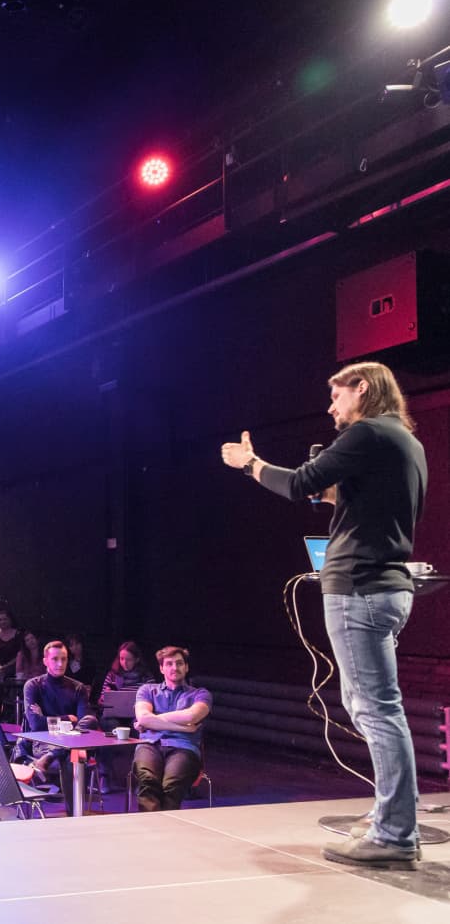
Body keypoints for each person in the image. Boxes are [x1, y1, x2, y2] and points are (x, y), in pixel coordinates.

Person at [221, 360, 427, 870]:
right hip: (384, 587)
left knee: (375, 710)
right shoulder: (403, 440)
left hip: (359, 587)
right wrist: (333, 491)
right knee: (372, 707)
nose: (331, 407)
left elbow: (297, 485)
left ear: (363, 388)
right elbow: (354, 500)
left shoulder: (368, 433)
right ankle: (392, 815)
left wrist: (250, 464)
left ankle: (395, 834)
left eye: (337, 396)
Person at [16, 640, 99, 815]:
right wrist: (68, 718)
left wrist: (46, 718)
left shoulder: (78, 688)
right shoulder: (33, 686)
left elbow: (84, 723)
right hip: (43, 743)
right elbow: (36, 724)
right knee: (71, 754)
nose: (60, 664)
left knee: (90, 722)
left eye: (64, 659)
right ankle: (74, 815)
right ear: (45, 661)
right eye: (55, 659)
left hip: (72, 744)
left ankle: (51, 756)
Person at [132, 645, 211, 813]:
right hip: (150, 744)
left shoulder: (200, 694)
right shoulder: (147, 690)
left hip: (183, 747)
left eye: (179, 663)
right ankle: (151, 827)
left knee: (171, 786)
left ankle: (164, 827)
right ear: (161, 668)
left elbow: (191, 717)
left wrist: (152, 720)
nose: (175, 668)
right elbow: (143, 717)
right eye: (169, 664)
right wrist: (183, 728)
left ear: (186, 667)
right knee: (148, 781)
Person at [0, 606, 21, 679]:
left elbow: (20, 653)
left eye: (5, 619)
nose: (2, 622)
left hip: (13, 666)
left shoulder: (18, 634)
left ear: (10, 620)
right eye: (0, 620)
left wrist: (6, 666)